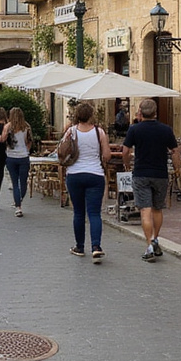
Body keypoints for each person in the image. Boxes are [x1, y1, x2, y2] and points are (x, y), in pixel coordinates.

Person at [122, 98, 181, 262]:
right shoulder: (166, 130)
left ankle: (149, 245)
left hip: (141, 173)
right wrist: (177, 168)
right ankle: (155, 238)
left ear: (140, 112)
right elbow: (175, 151)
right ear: (156, 113)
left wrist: (127, 165)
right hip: (160, 174)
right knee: (157, 209)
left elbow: (125, 151)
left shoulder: (134, 129)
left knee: (145, 211)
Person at [63, 103, 109, 262]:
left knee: (78, 212)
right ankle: (96, 247)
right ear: (91, 115)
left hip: (74, 175)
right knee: (94, 213)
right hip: (95, 174)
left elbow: (62, 151)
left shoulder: (71, 131)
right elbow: (107, 155)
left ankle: (79, 246)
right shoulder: (99, 132)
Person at [1, 107, 32, 217]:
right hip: (23, 156)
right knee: (23, 182)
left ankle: (18, 207)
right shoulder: (26, 127)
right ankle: (19, 200)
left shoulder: (8, 126)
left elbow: (3, 139)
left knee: (15, 183)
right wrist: (26, 150)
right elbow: (29, 141)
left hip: (11, 157)